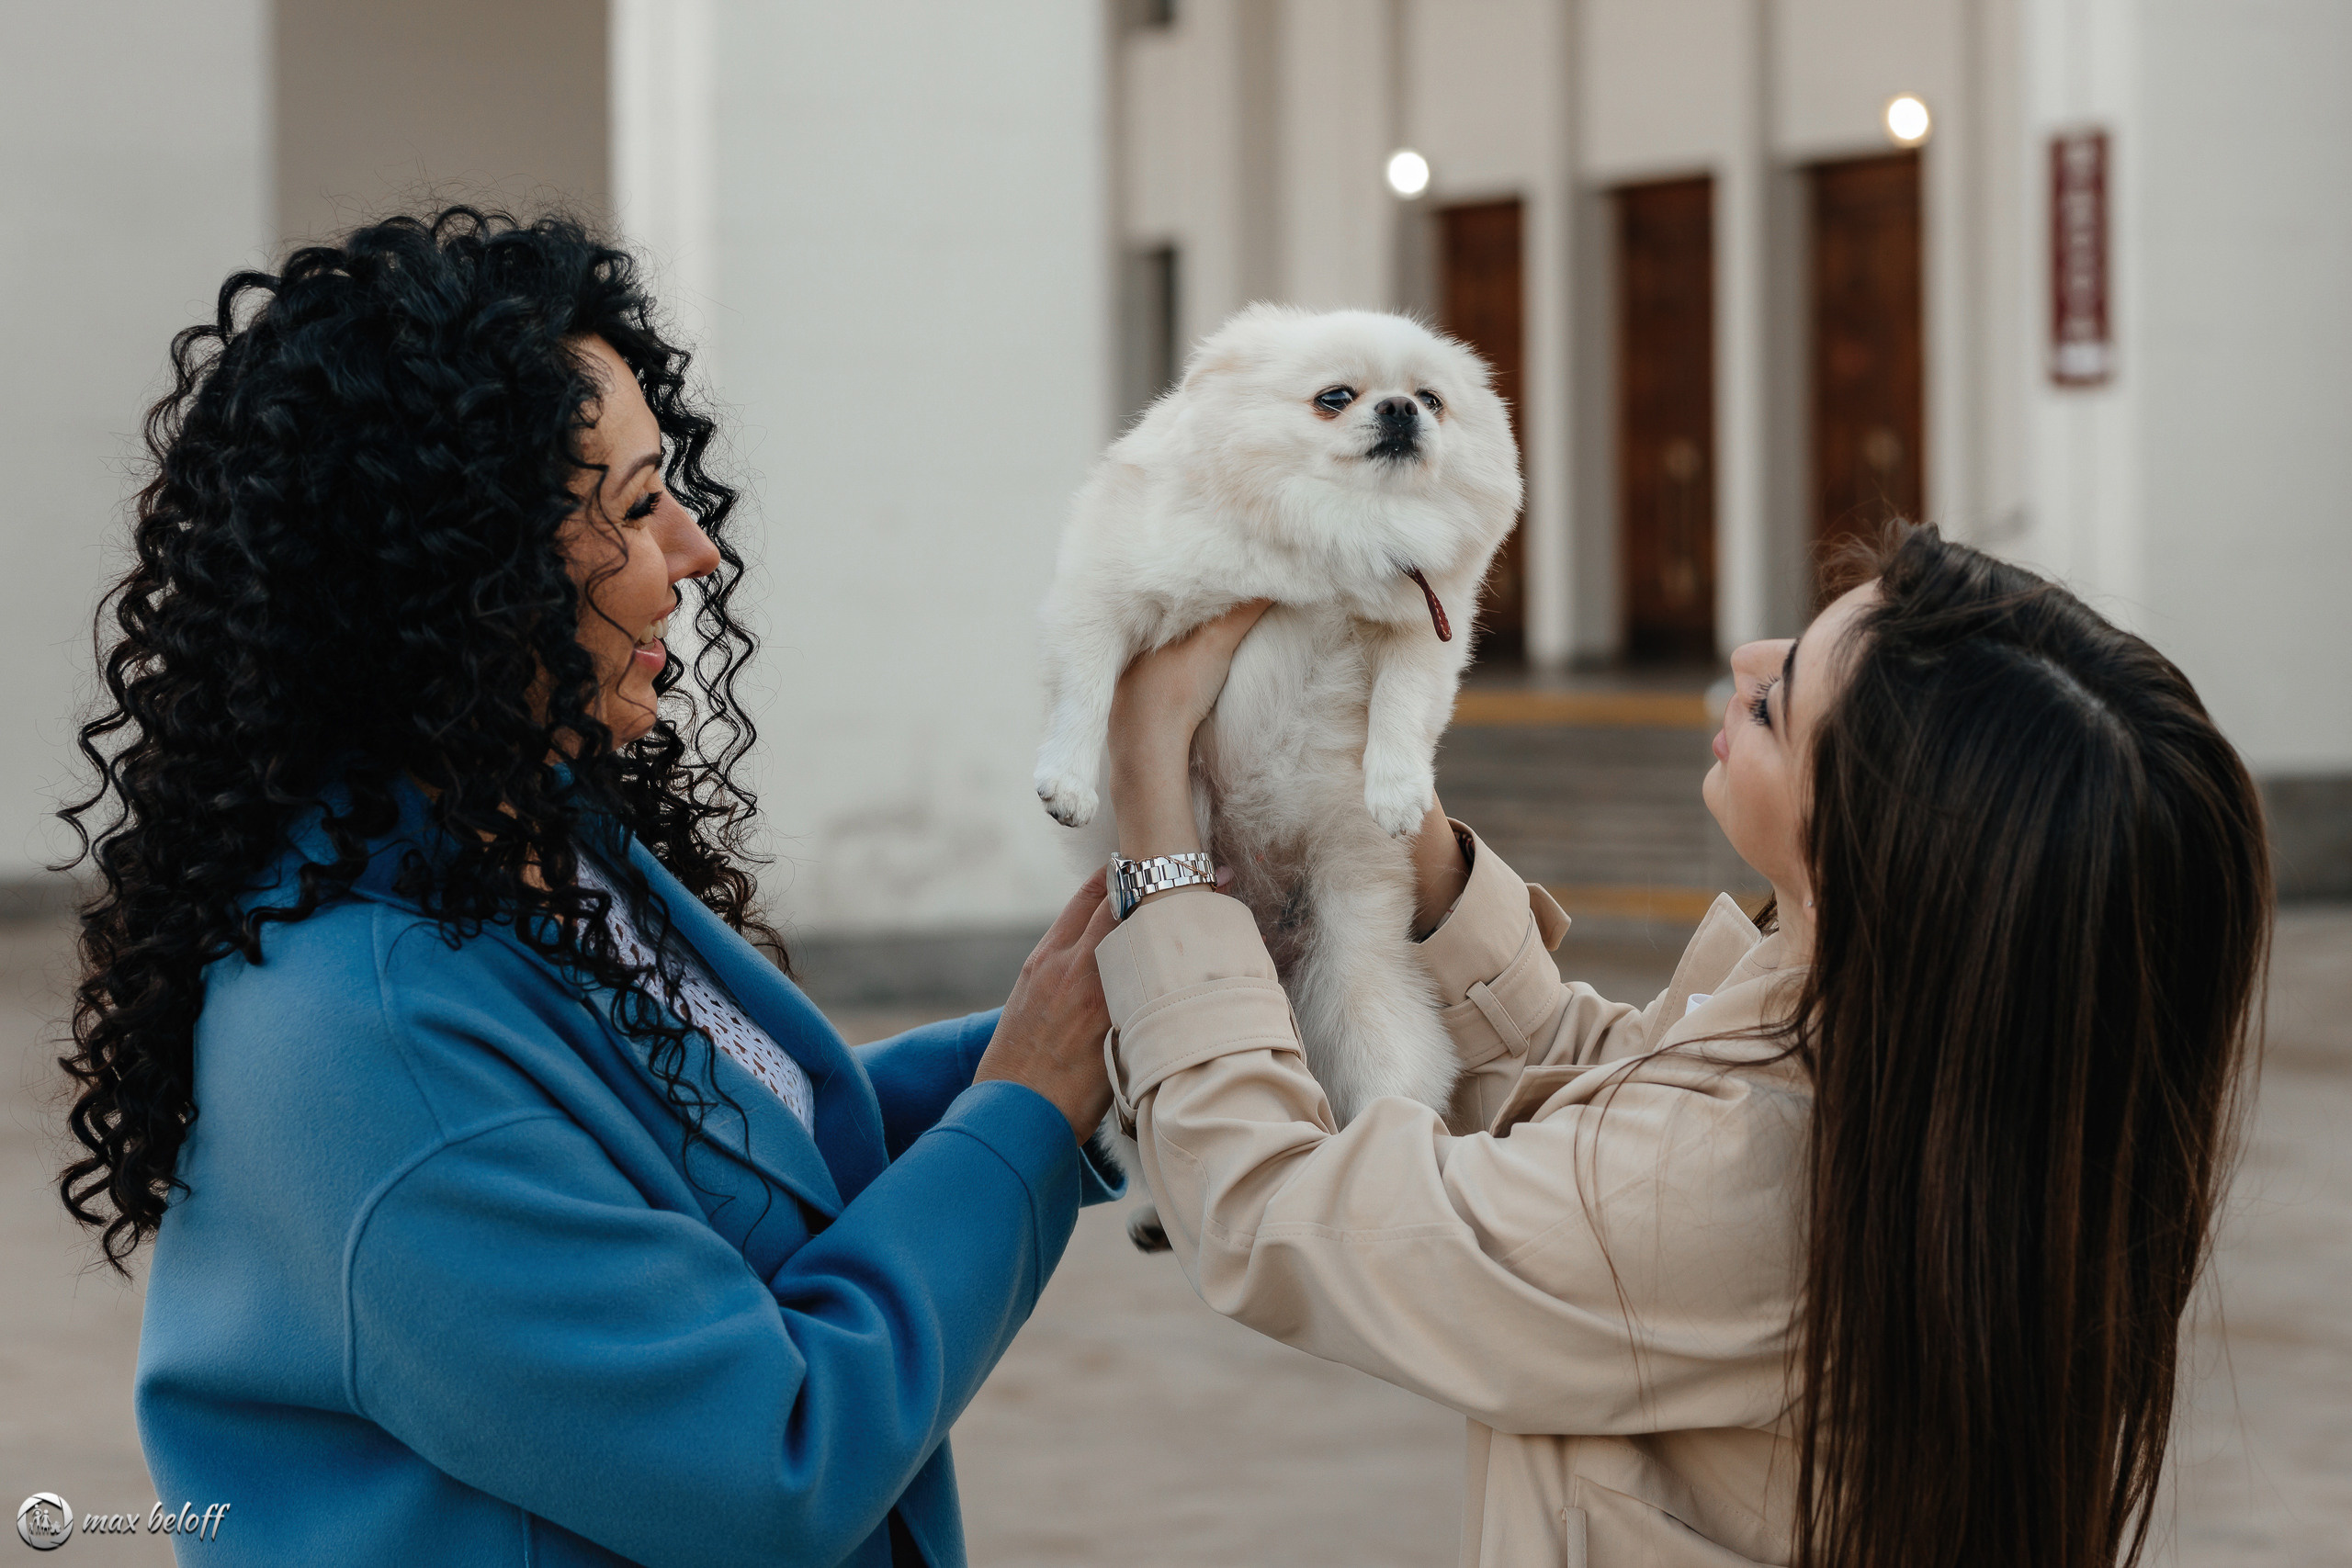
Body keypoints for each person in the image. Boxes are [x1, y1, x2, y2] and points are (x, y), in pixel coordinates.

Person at [53, 208, 1121, 1568]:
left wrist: (1090, 1036)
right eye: (632, 505)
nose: (697, 550)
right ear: (461, 573)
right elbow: (768, 1461)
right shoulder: (370, 1040)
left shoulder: (516, 837)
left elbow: (744, 1157)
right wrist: (1027, 1110)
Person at [1090, 524, 2270, 1568]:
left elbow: (1268, 1215)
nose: (1745, 660)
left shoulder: (1736, 1178)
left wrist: (1150, 791)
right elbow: (1594, 1103)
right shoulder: (1921, 1070)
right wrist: (1377, 795)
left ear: (1868, 854)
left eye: (1776, 704)